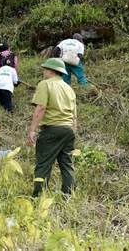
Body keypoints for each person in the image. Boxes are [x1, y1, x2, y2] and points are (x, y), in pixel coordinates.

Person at [27, 58, 77, 198]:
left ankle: (38, 197)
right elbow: (74, 115)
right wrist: (73, 131)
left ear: (51, 70)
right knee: (66, 163)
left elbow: (41, 107)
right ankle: (68, 195)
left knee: (43, 163)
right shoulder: (69, 88)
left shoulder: (45, 84)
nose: (43, 72)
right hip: (68, 130)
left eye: (45, 69)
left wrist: (32, 130)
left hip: (52, 130)